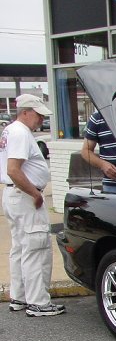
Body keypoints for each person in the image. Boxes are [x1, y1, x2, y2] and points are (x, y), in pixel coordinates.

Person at [0, 94, 65, 316]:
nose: (41, 120)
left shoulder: (10, 130)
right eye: (38, 115)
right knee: (36, 247)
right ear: (26, 112)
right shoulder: (20, 133)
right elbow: (13, 169)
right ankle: (38, 302)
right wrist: (34, 193)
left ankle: (19, 297)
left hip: (14, 195)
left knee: (20, 247)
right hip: (25, 195)